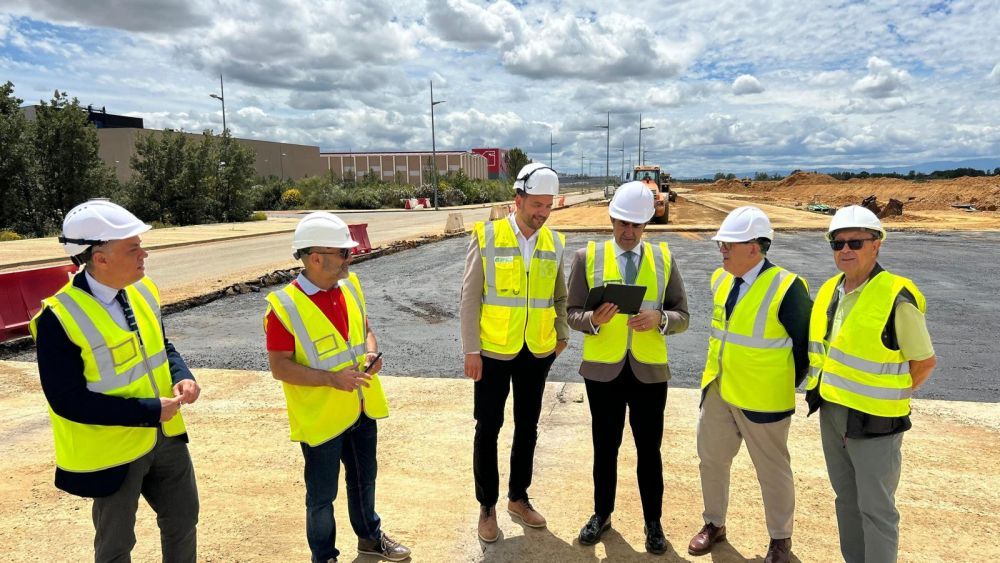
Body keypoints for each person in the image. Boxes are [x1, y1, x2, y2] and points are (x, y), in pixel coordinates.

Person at [30, 199, 200, 562]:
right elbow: (67, 400)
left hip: (165, 437)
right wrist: (149, 410)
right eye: (133, 248)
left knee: (183, 521)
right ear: (100, 258)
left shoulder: (143, 290)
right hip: (114, 451)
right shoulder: (58, 318)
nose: (144, 254)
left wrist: (182, 376)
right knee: (116, 545)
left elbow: (160, 345)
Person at [264, 212, 410, 563]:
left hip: (361, 407)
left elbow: (366, 328)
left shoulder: (350, 286)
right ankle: (324, 556)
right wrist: (333, 379)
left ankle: (370, 539)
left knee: (364, 482)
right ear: (315, 258)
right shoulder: (283, 307)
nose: (351, 257)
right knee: (321, 497)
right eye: (344, 252)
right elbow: (279, 366)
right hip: (322, 420)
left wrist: (371, 350)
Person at [805, 205, 936, 563]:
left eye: (855, 242)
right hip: (832, 414)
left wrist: (891, 395)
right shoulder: (832, 289)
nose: (845, 250)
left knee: (877, 510)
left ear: (876, 245)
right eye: (837, 243)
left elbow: (923, 362)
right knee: (846, 500)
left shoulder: (896, 296)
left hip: (876, 423)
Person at [566, 181, 689, 554]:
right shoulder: (587, 258)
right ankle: (601, 514)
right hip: (603, 372)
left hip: (649, 373)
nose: (628, 232)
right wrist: (595, 320)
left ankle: (654, 523)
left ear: (646, 225)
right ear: (612, 218)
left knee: (649, 450)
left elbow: (683, 315)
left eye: (636, 225)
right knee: (605, 447)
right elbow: (571, 314)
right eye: (622, 223)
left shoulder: (665, 260)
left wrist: (660, 319)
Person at [688, 206, 812, 563]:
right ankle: (713, 523)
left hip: (764, 400)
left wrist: (782, 383)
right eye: (721, 245)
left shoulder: (788, 287)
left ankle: (780, 541)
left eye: (729, 245)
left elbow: (805, 347)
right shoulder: (720, 279)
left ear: (755, 248)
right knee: (711, 461)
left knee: (772, 470)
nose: (722, 250)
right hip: (719, 389)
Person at [460, 162, 569, 542]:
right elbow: (470, 297)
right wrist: (471, 349)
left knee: (528, 427)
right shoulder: (487, 236)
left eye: (548, 206)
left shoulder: (554, 242)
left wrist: (562, 332)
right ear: (517, 199)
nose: (542, 213)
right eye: (536, 204)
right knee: (487, 428)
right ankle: (487, 505)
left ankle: (518, 498)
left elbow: (559, 293)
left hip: (536, 351)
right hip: (492, 350)